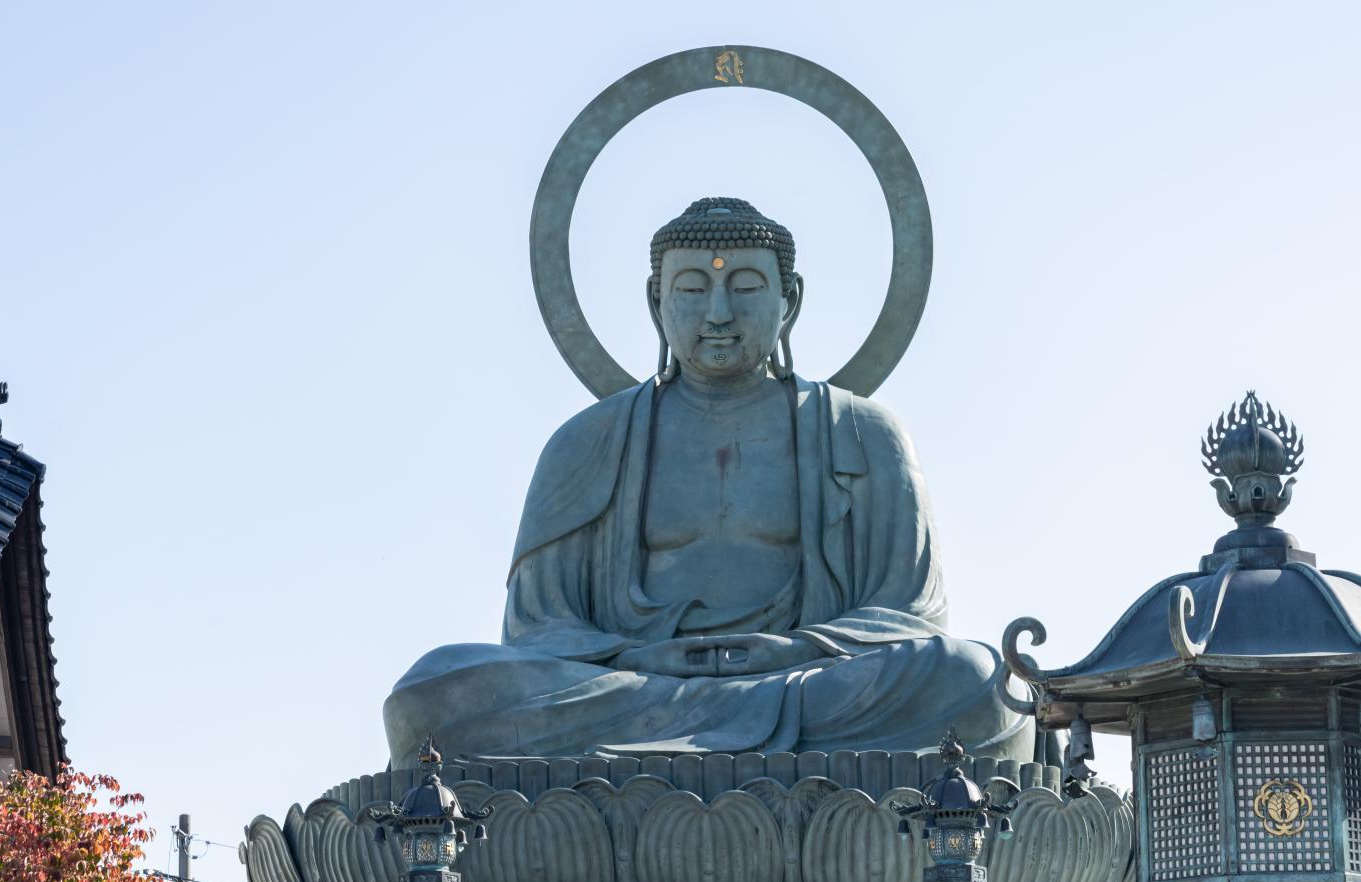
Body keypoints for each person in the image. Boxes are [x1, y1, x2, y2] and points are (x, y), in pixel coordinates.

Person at [382, 198, 1030, 764]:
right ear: (655, 299)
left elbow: (910, 617)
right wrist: (636, 659)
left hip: (807, 686)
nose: (717, 312)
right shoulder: (586, 441)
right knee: (435, 691)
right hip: (634, 690)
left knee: (975, 680)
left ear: (791, 300)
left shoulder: (863, 432)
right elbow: (536, 628)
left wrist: (789, 652)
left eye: (746, 286)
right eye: (691, 288)